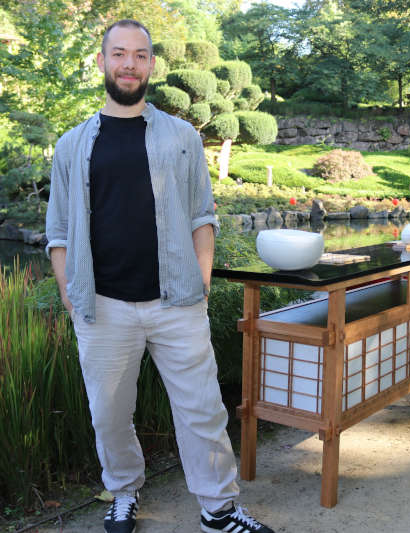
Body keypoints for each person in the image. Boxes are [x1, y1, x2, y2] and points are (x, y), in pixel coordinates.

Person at [45, 19, 275, 533]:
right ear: (102, 62)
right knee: (109, 414)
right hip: (101, 305)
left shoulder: (181, 136)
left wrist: (202, 279)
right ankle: (124, 492)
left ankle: (218, 509)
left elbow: (202, 216)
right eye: (120, 54)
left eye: (141, 55)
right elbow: (58, 230)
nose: (130, 64)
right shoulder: (72, 145)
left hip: (177, 302)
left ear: (151, 64)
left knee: (203, 412)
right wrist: (69, 293)